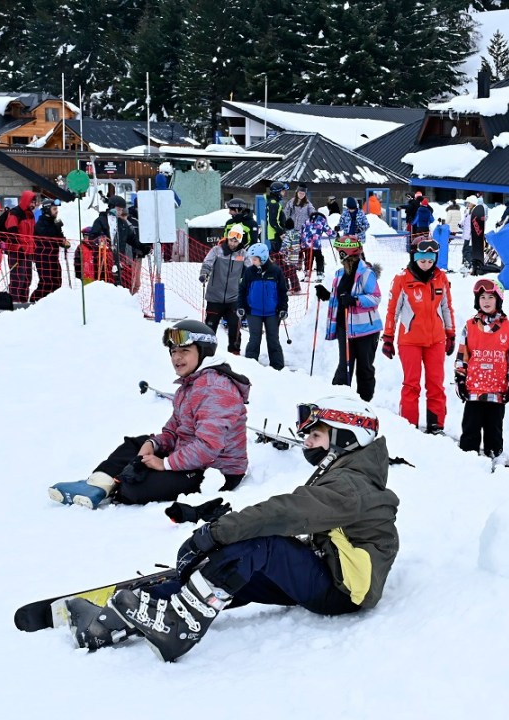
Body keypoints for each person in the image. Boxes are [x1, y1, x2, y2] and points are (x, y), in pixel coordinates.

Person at [69, 397, 398, 662]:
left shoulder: (351, 486)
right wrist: (218, 548)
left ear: (345, 437)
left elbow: (286, 512)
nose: (307, 443)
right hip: (327, 574)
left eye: (316, 435)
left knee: (260, 544)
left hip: (342, 591)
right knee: (237, 569)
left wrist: (214, 533)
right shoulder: (345, 477)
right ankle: (117, 620)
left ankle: (178, 627)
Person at [48, 320, 250, 508]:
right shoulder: (189, 386)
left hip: (214, 471)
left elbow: (208, 447)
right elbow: (173, 431)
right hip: (191, 457)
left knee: (134, 488)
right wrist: (153, 445)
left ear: (205, 352)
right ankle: (98, 485)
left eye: (185, 351)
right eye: (173, 351)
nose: (176, 357)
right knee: (137, 444)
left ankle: (116, 487)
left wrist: (165, 463)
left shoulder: (216, 389)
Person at [382, 238, 456, 433]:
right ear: (414, 258)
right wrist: (388, 337)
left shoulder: (440, 278)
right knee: (411, 384)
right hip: (410, 340)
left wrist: (450, 333)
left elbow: (447, 307)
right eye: (422, 260)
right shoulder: (402, 279)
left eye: (430, 261)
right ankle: (409, 426)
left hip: (436, 340)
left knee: (436, 384)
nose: (426, 264)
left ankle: (436, 424)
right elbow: (392, 310)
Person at [454, 278, 509, 458]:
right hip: (474, 390)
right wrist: (460, 379)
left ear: (498, 300)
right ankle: (468, 462)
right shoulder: (470, 326)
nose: (486, 301)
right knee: (470, 430)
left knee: (494, 431)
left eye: (491, 297)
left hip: (497, 391)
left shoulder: (508, 328)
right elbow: (462, 356)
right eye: (482, 297)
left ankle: (495, 462)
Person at [314, 236, 382, 401]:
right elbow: (340, 298)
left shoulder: (366, 274)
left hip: (365, 330)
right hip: (344, 327)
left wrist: (355, 300)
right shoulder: (340, 273)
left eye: (340, 252)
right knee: (344, 367)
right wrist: (327, 295)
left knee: (364, 368)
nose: (339, 255)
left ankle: (364, 402)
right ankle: (338, 401)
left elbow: (376, 298)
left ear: (346, 253)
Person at [238, 242, 288, 369]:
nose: (252, 261)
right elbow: (242, 290)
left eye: (255, 259)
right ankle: (250, 365)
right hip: (253, 312)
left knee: (273, 339)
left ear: (263, 258)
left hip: (272, 312)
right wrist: (241, 306)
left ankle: (278, 367)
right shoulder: (249, 272)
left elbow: (282, 291)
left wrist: (283, 308)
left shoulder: (276, 271)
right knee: (254, 339)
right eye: (251, 259)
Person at [200, 226, 249, 355]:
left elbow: (251, 270)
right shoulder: (217, 250)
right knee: (210, 327)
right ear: (228, 238)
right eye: (231, 239)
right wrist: (204, 273)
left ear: (240, 241)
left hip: (233, 297)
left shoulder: (243, 254)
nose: (233, 243)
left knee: (235, 327)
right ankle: (207, 352)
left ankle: (234, 351)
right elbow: (207, 263)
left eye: (236, 241)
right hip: (215, 296)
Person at [87, 195, 146, 293]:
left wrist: (143, 247)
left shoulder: (122, 223)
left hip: (120, 260)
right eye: (118, 209)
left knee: (121, 286)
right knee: (107, 287)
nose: (120, 212)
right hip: (104, 261)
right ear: (111, 207)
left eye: (121, 210)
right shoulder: (101, 221)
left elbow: (132, 239)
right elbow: (92, 237)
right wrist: (100, 239)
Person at [2, 190, 39, 303]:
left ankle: (23, 302)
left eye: (34, 202)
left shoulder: (30, 215)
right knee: (18, 279)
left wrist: (34, 249)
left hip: (28, 252)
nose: (33, 205)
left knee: (27, 279)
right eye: (31, 202)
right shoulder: (15, 213)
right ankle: (14, 302)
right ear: (26, 201)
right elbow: (11, 232)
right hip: (17, 252)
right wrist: (19, 247)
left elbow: (32, 234)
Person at [30, 199, 70, 302]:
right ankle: (34, 301)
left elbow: (58, 238)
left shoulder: (53, 222)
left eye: (56, 209)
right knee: (46, 283)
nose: (57, 211)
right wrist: (56, 228)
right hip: (43, 258)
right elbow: (47, 235)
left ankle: (53, 303)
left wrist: (63, 242)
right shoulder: (40, 223)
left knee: (57, 282)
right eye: (54, 209)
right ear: (47, 209)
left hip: (53, 257)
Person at [300, 209, 331, 282]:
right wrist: (335, 234)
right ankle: (320, 274)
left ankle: (307, 275)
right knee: (319, 258)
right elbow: (329, 231)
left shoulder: (307, 220)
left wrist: (301, 241)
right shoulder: (322, 220)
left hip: (306, 243)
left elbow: (301, 230)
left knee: (308, 258)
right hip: (315, 243)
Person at [468, 195, 488, 276]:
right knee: (471, 251)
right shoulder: (471, 211)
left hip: (474, 235)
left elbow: (482, 221)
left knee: (470, 251)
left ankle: (474, 267)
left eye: (469, 203)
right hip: (472, 235)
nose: (468, 205)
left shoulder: (477, 211)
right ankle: (474, 267)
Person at [265, 181, 287, 253]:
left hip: (276, 234)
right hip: (275, 235)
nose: (284, 193)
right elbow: (273, 221)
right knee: (276, 255)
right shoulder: (273, 203)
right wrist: (281, 232)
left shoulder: (275, 202)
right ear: (277, 192)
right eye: (282, 191)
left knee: (277, 255)